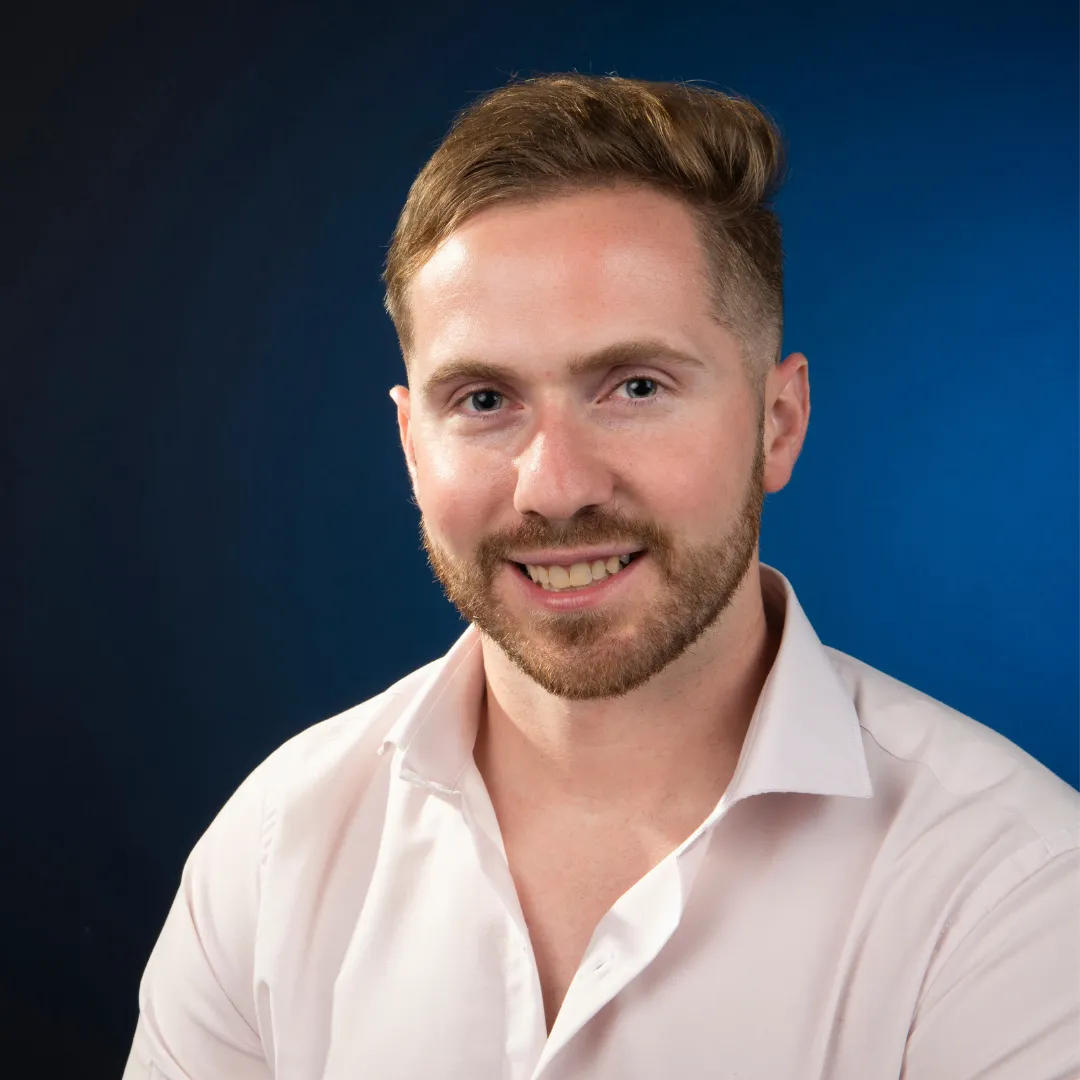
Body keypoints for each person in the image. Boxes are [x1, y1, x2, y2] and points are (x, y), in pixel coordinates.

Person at [123, 73, 1079, 1079]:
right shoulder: (274, 850)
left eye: (635, 387)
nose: (555, 487)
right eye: (484, 399)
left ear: (778, 423)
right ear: (411, 446)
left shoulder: (1013, 893)